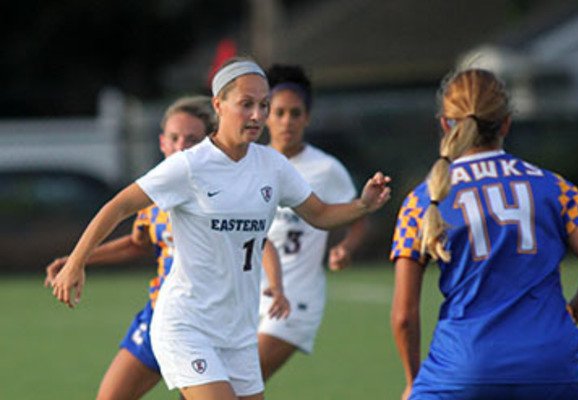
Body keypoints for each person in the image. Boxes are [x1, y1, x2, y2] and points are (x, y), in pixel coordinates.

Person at [50, 57, 391, 400]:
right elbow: (119, 206)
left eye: (263, 105)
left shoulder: (272, 165)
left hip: (238, 332)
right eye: (246, 104)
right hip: (186, 324)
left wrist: (362, 205)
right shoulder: (190, 166)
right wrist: (76, 262)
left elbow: (320, 214)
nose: (257, 115)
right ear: (218, 105)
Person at [390, 68, 578, 400]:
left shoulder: (423, 200)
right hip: (554, 366)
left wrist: (412, 380)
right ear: (506, 123)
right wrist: (571, 313)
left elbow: (404, 317)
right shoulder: (554, 186)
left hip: (463, 370)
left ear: (446, 124)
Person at [44, 96, 219, 399]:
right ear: (162, 142)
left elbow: (257, 243)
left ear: (208, 143)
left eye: (192, 139)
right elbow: (137, 243)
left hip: (208, 321)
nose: (181, 146)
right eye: (174, 138)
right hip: (159, 314)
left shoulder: (221, 193)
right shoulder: (154, 192)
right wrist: (77, 260)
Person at [257, 64, 368, 381]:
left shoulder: (326, 169)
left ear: (307, 118)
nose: (287, 121)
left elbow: (358, 216)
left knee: (237, 382)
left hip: (295, 298)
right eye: (279, 112)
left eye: (295, 113)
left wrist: (345, 247)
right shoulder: (251, 162)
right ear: (265, 115)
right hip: (248, 295)